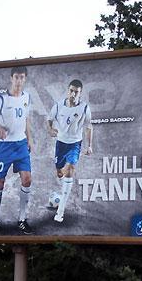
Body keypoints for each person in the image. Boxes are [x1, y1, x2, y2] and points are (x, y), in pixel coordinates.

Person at [0, 66, 34, 235]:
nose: (19, 80)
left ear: (25, 79)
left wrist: (29, 139)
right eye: (16, 77)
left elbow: (26, 119)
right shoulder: (1, 100)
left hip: (21, 144)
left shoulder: (27, 97)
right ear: (11, 78)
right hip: (4, 146)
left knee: (27, 179)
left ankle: (22, 219)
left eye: (22, 77)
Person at [46, 79, 93, 222]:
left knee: (71, 168)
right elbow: (49, 119)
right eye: (71, 91)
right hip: (61, 143)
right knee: (60, 172)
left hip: (75, 143)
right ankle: (62, 180)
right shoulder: (58, 106)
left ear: (80, 93)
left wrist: (89, 145)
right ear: (68, 90)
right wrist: (50, 129)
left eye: (76, 92)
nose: (73, 94)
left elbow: (89, 126)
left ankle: (60, 211)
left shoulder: (84, 108)